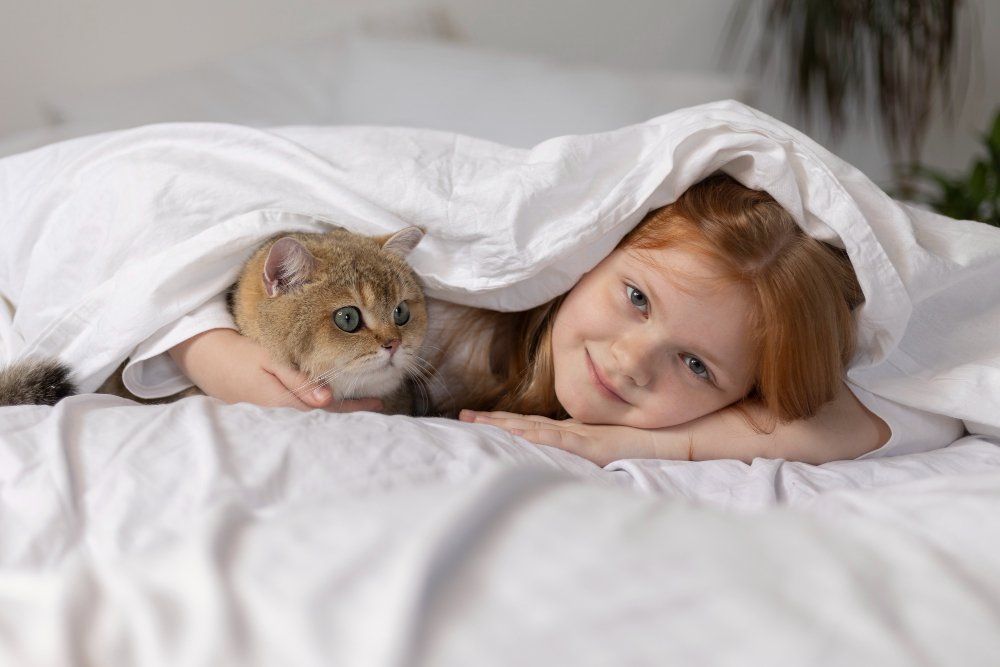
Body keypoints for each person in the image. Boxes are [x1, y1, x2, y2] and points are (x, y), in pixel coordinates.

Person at [166, 174, 951, 465]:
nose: (632, 359)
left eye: (696, 364)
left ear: (741, 393)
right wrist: (208, 351)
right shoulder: (471, 313)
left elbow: (890, 411)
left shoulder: (715, 405)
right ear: (595, 252)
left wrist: (639, 443)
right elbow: (171, 246)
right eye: (636, 297)